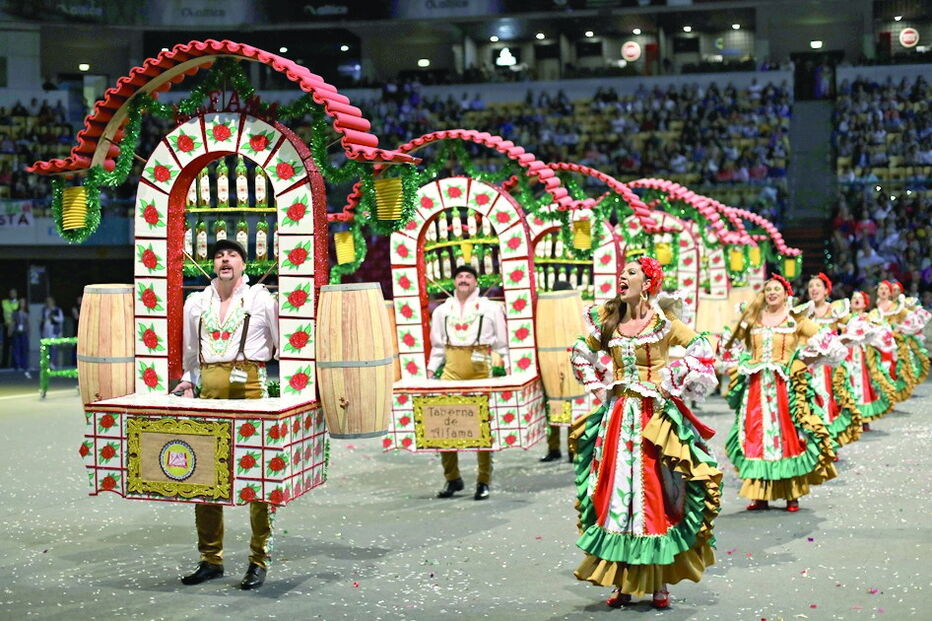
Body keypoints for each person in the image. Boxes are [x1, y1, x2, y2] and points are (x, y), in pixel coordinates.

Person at [569, 256, 720, 609]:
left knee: (654, 495)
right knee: (617, 497)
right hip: (619, 416)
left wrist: (674, 378)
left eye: (631, 273)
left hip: (655, 419)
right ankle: (623, 581)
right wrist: (596, 386)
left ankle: (658, 583)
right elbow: (579, 351)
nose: (623, 277)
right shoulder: (609, 322)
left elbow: (701, 349)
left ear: (648, 282)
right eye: (621, 273)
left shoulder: (664, 323)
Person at [173, 239, 278, 590]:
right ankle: (210, 559)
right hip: (209, 392)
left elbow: (282, 344)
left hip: (250, 390)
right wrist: (188, 381)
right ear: (212, 264)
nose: (224, 259)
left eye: (232, 254)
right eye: (219, 255)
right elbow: (190, 350)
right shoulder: (196, 303)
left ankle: (258, 559)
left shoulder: (261, 298)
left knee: (258, 477)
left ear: (244, 264)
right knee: (205, 476)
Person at [723, 275, 843, 512]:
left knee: (787, 438)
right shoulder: (753, 318)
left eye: (776, 289)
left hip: (783, 388)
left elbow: (828, 342)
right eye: (768, 290)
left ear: (786, 293)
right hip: (756, 387)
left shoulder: (795, 319)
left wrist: (805, 361)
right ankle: (760, 495)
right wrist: (738, 361)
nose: (772, 293)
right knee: (757, 438)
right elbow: (732, 344)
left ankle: (792, 494)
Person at [427, 264, 508, 501]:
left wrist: (508, 368)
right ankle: (452, 478)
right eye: (460, 276)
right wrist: (431, 370)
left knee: (482, 426)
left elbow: (501, 344)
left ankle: (483, 481)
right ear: (454, 282)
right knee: (443, 422)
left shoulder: (491, 308)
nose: (464, 279)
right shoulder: (442, 311)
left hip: (480, 369)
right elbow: (437, 347)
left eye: (468, 276)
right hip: (451, 369)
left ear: (476, 282)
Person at [804, 274, 861, 451]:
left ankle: (829, 444)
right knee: (811, 401)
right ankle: (815, 443)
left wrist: (839, 342)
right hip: (811, 365)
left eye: (818, 286)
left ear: (826, 290)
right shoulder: (804, 312)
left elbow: (853, 326)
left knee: (830, 402)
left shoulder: (836, 309)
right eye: (811, 286)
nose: (814, 289)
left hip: (831, 366)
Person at [540, 279, 577, 464]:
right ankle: (568, 449)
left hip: (562, 363)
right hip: (555, 363)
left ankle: (556, 448)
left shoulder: (571, 313)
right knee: (561, 407)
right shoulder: (550, 312)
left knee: (560, 407)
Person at [40, 296, 64, 369]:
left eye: (50, 301)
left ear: (53, 302)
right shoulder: (44, 310)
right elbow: (41, 319)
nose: (48, 303)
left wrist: (53, 317)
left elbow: (61, 319)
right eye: (47, 301)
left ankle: (53, 364)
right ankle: (46, 364)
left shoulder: (57, 310)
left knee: (54, 348)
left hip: (54, 332)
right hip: (46, 332)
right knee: (46, 348)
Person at [10, 297, 29, 378]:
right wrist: (10, 330)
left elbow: (28, 323)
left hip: (24, 332)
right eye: (21, 302)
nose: (22, 304)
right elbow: (13, 322)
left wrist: (28, 332)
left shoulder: (26, 313)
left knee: (24, 349)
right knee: (16, 349)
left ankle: (24, 365)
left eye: (23, 302)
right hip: (16, 333)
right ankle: (17, 365)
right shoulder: (15, 312)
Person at [2, 288, 19, 368]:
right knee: (6, 346)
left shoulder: (18, 303)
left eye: (13, 293)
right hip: (6, 326)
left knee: (15, 345)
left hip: (15, 328)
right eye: (11, 293)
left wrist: (12, 326)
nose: (12, 294)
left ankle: (15, 364)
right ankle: (4, 364)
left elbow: (17, 316)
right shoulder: (4, 302)